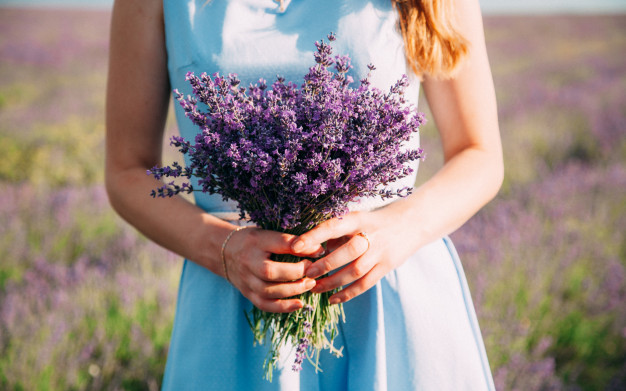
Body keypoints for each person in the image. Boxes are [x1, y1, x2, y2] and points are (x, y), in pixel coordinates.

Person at [105, 0, 502, 389]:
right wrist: (223, 249)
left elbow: (479, 154)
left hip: (389, 292)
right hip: (232, 298)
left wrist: (397, 230)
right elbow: (127, 170)